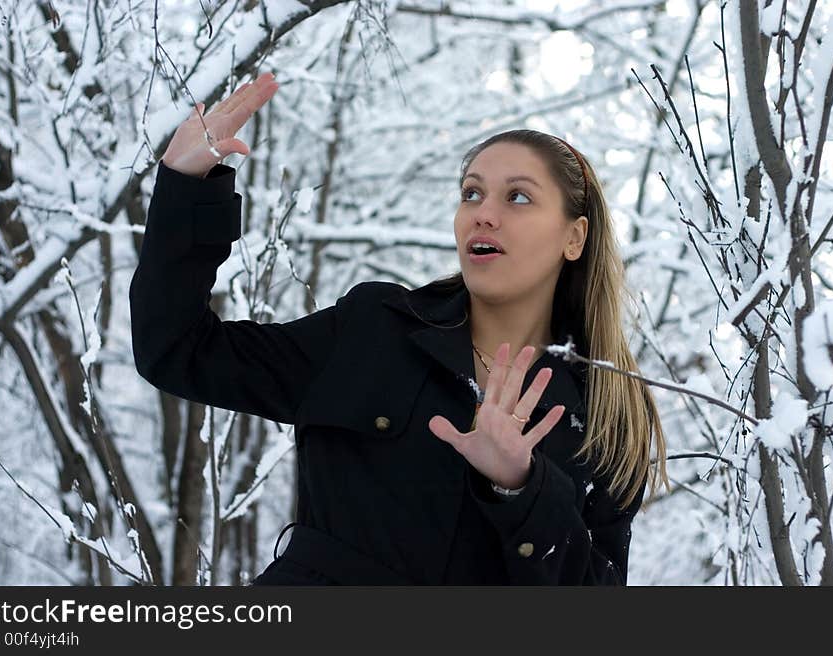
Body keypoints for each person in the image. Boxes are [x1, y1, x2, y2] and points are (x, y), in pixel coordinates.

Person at [129, 71, 669, 585]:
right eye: (472, 193)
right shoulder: (374, 332)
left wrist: (522, 488)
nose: (483, 213)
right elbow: (177, 350)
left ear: (574, 238)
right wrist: (184, 188)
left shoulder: (606, 415)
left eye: (518, 197)